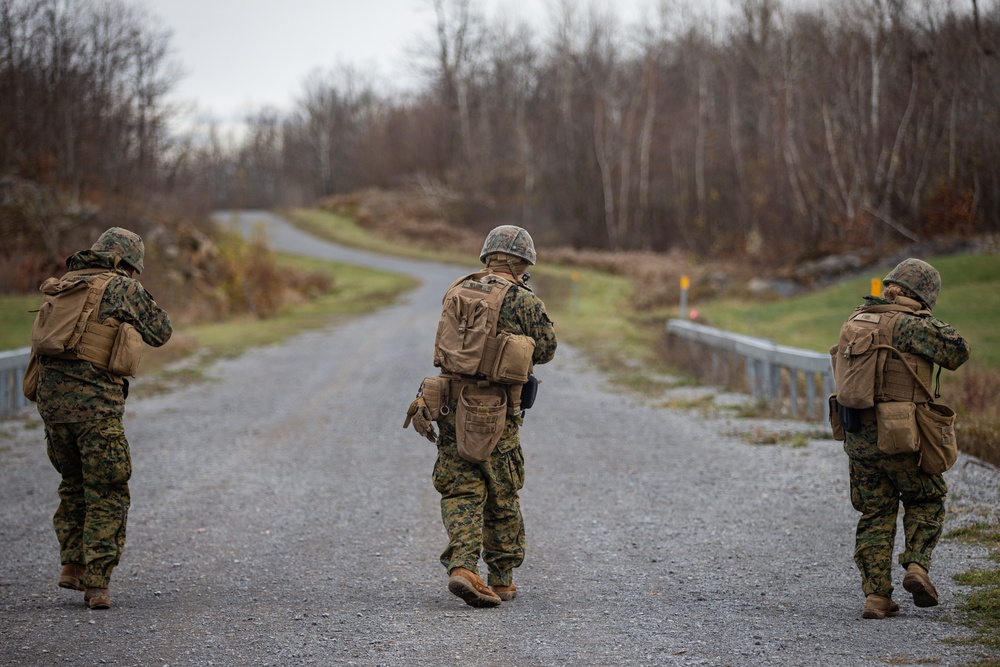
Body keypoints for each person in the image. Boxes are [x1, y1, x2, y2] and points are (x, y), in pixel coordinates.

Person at [415, 225, 557, 607]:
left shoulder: (458, 288)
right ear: (523, 261)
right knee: (502, 487)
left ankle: (462, 566)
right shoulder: (523, 300)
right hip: (496, 409)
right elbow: (546, 350)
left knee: (460, 485)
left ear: (487, 256)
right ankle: (502, 578)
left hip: (449, 401)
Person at [31, 227, 172, 610]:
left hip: (54, 408)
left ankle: (72, 565)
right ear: (126, 262)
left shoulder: (66, 283)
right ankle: (98, 584)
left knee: (73, 484)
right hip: (97, 409)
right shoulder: (124, 289)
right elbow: (161, 332)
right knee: (107, 489)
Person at [838, 258, 970, 619]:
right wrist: (925, 318)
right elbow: (958, 351)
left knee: (875, 512)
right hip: (902, 435)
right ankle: (917, 566)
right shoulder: (912, 325)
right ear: (922, 295)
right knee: (927, 497)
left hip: (858, 436)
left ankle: (876, 597)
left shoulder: (856, 318)